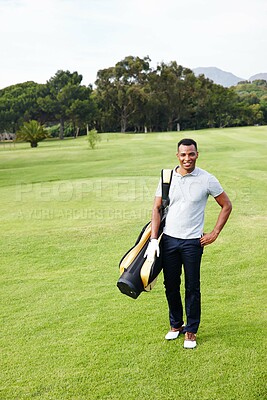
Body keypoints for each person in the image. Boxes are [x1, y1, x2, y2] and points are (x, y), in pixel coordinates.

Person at [144, 138, 232, 349]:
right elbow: (156, 209)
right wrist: (154, 240)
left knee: (192, 287)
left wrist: (215, 233)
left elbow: (226, 205)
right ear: (177, 156)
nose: (187, 158)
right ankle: (176, 325)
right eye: (183, 154)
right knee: (170, 285)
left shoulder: (207, 179)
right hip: (169, 241)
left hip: (193, 242)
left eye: (191, 154)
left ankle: (191, 330)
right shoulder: (167, 178)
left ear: (197, 154)